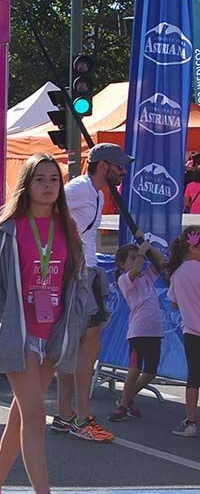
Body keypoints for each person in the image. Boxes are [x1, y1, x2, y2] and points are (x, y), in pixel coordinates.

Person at [0, 153, 84, 494]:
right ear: (26, 184)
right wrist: (7, 329)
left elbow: (73, 280)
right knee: (36, 415)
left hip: (51, 333)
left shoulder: (67, 228)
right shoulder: (10, 229)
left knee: (21, 416)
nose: (48, 186)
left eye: (54, 180)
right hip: (19, 335)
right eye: (40, 179)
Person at [52, 143, 131, 442]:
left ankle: (65, 415)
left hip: (88, 272)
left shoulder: (97, 192)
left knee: (80, 343)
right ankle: (81, 418)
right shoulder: (80, 188)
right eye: (118, 165)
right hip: (78, 272)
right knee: (87, 342)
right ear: (102, 166)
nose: (122, 170)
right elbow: (47, 205)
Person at [109, 238, 166, 422]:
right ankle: (123, 406)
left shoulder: (147, 276)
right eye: (131, 258)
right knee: (135, 368)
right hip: (139, 330)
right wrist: (141, 253)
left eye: (137, 257)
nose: (136, 260)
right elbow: (136, 270)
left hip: (155, 330)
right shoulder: (125, 279)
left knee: (150, 372)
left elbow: (162, 262)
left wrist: (148, 249)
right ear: (122, 263)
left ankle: (126, 399)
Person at [166, 226, 200, 438]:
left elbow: (174, 303)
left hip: (191, 331)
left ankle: (190, 423)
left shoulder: (177, 274)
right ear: (194, 248)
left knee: (193, 377)